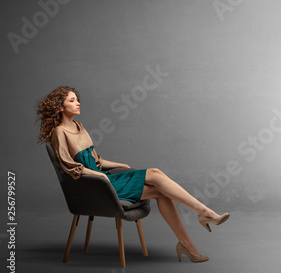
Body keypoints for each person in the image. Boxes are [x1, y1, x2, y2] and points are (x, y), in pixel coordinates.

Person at [35, 86, 229, 263]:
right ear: (60, 107)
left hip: (105, 180)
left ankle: (189, 246)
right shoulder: (59, 132)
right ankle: (204, 213)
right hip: (95, 186)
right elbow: (71, 168)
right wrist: (101, 177)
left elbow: (97, 161)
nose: (77, 103)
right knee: (154, 173)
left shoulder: (79, 126)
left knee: (159, 188)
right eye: (71, 100)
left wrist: (121, 164)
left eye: (77, 99)